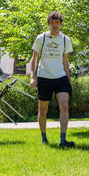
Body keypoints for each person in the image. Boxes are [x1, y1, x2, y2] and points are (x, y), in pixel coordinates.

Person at [30, 12, 75, 148]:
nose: (55, 25)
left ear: (61, 24)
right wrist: (32, 77)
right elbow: (34, 59)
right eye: (52, 22)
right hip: (44, 77)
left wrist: (68, 77)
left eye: (57, 22)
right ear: (48, 24)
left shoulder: (65, 39)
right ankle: (44, 138)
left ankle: (63, 140)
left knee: (64, 105)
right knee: (43, 110)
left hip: (60, 77)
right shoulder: (41, 38)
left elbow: (65, 61)